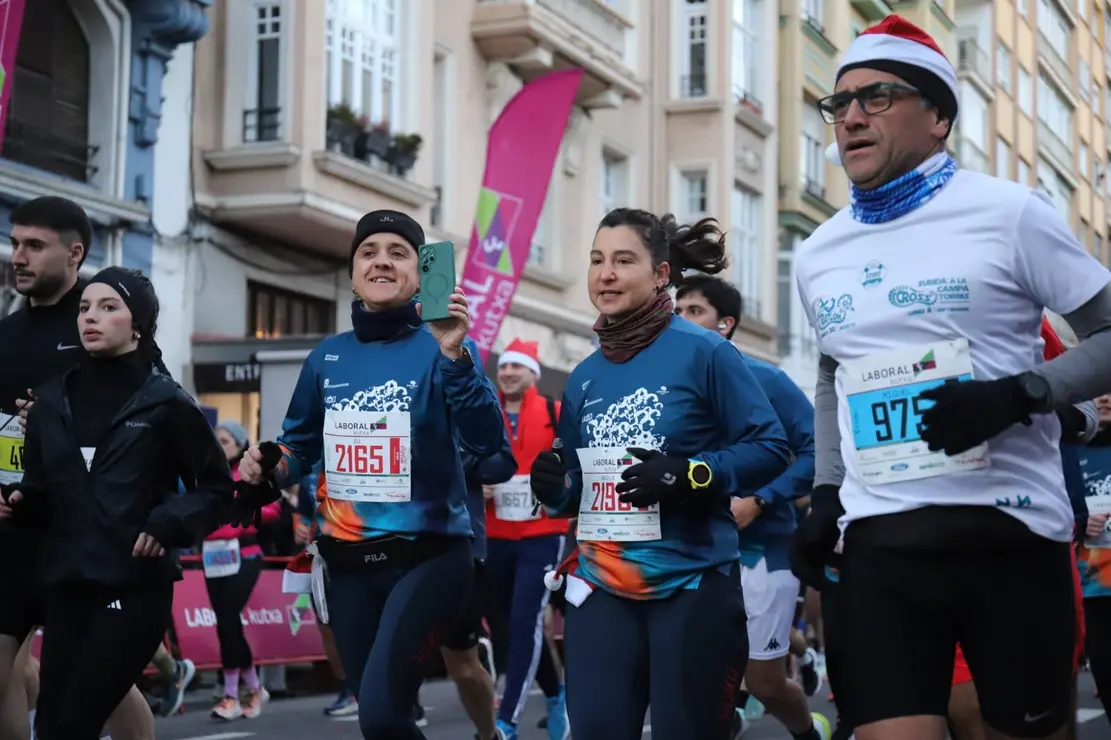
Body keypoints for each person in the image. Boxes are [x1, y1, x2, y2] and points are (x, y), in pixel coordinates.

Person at [790, 14, 1111, 740]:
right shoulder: (817, 252)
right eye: (837, 104)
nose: (849, 117)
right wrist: (823, 492)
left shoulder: (1008, 213)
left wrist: (1020, 394)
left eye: (875, 97)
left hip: (1007, 536)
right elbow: (831, 373)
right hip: (880, 547)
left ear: (937, 116)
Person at [237, 209, 508, 739]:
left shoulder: (447, 346)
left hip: (429, 557)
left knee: (383, 714)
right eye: (368, 251)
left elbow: (492, 451)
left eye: (398, 251)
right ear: (354, 270)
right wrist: (268, 463)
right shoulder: (327, 356)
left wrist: (455, 356)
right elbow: (299, 447)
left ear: (418, 273)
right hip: (348, 565)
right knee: (385, 722)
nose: (381, 260)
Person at [530, 208, 790, 739]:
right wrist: (556, 490)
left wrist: (687, 474)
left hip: (691, 586)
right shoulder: (584, 376)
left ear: (661, 275)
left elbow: (771, 447)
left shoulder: (706, 352)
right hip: (602, 587)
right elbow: (580, 490)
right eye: (597, 261)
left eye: (623, 260)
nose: (605, 274)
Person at [0, 267, 233, 739]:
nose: (91, 318)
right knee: (52, 727)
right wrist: (23, 499)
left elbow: (215, 490)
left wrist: (169, 521)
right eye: (85, 307)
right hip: (66, 583)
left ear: (138, 325)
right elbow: (43, 482)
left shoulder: (166, 402)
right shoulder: (49, 400)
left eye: (109, 308)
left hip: (133, 585)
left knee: (74, 720)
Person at [674, 275, 830, 740]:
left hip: (764, 548)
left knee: (763, 679)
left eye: (694, 311)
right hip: (696, 548)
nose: (681, 320)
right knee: (695, 667)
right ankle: (784, 654)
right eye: (676, 309)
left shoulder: (768, 381)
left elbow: (815, 452)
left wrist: (761, 500)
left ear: (725, 324)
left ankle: (807, 732)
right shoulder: (673, 386)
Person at [484, 338, 570, 740]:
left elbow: (575, 464)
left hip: (542, 532)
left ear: (532, 373)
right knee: (504, 623)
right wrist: (476, 480)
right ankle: (555, 695)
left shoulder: (553, 412)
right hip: (496, 531)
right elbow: (466, 457)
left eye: (516, 367)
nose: (508, 373)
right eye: (503, 367)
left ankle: (507, 721)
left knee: (524, 620)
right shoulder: (486, 413)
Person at [415, 429, 517, 740]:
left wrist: (458, 457)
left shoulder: (465, 395)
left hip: (457, 547)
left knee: (460, 663)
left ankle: (488, 735)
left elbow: (501, 464)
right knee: (390, 660)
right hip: (392, 546)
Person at [207, 420, 281, 720]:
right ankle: (250, 688)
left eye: (225, 441)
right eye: (217, 441)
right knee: (226, 624)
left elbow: (274, 509)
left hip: (246, 556)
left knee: (227, 620)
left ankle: (232, 695)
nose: (220, 446)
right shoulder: (209, 475)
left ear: (240, 445)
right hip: (213, 557)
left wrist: (241, 513)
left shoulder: (249, 473)